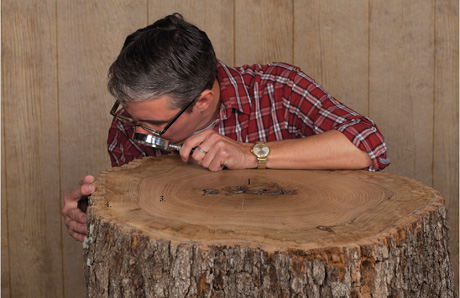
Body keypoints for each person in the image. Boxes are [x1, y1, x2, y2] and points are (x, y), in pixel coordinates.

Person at [63, 13, 389, 242]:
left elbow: (367, 147)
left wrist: (250, 154)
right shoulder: (131, 125)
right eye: (132, 116)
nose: (138, 128)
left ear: (202, 101)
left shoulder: (278, 88)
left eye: (155, 123)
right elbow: (140, 225)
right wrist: (96, 218)